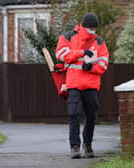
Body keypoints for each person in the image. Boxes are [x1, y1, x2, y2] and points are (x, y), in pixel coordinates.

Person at [55, 12, 109, 158]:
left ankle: (88, 144)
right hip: (74, 85)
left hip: (91, 86)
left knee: (91, 117)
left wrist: (91, 67)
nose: (93, 31)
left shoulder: (99, 42)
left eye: (95, 28)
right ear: (83, 26)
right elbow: (61, 54)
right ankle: (75, 147)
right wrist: (80, 53)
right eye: (91, 28)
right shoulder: (68, 36)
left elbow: (104, 63)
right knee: (74, 114)